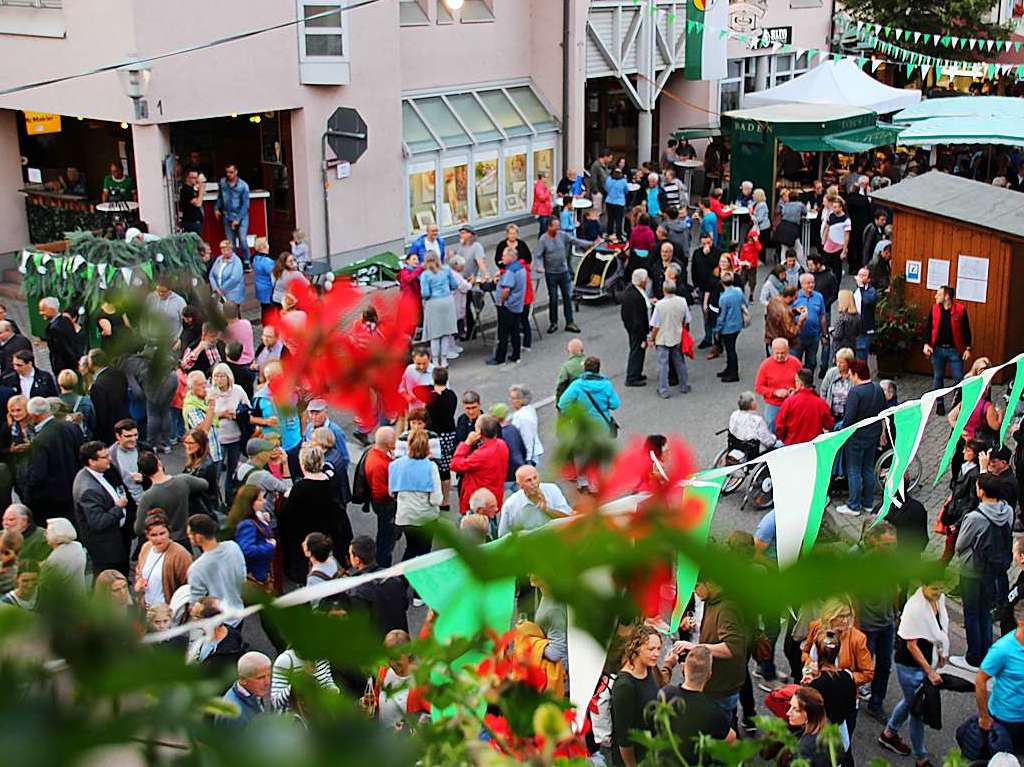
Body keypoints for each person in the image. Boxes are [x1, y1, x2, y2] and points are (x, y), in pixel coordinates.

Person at [877, 581, 949, 767]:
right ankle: (921, 758)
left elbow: (940, 628)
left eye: (941, 588)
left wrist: (941, 652)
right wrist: (930, 671)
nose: (938, 593)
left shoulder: (938, 600)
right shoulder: (914, 608)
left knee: (911, 701)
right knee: (917, 710)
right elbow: (911, 645)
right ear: (923, 586)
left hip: (927, 660)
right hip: (910, 667)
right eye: (934, 589)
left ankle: (889, 734)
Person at [951, 472, 1014, 671]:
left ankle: (973, 657)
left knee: (971, 612)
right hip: (994, 569)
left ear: (982, 492)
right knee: (985, 612)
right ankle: (987, 653)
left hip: (972, 569)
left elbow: (961, 544)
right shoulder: (1008, 511)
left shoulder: (975, 517)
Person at [675, 577, 749, 720]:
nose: (694, 591)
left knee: (721, 729)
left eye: (697, 586)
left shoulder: (727, 608)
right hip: (712, 682)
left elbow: (732, 647)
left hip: (721, 688)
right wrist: (695, 626)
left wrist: (695, 647)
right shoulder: (711, 600)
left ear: (710, 583)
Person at [279, 445, 352, 584]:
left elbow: (285, 513)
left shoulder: (300, 488)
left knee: (305, 566)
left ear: (302, 463)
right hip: (326, 529)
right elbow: (329, 471)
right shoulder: (330, 479)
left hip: (304, 533)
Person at [660, 645, 736, 763]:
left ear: (684, 668)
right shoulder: (714, 711)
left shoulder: (666, 693)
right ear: (709, 675)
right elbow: (731, 738)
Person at [72, 440, 131, 577]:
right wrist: (118, 507)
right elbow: (98, 522)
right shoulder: (88, 489)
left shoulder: (95, 475)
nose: (110, 459)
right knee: (108, 580)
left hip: (115, 538)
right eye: (105, 457)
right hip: (106, 547)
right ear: (92, 461)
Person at [22, 396, 83, 524]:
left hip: (51, 500)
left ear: (34, 416)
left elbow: (38, 475)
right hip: (74, 489)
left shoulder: (40, 440)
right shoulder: (72, 428)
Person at [611, 624, 665, 767]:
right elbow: (623, 737)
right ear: (636, 649)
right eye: (651, 649)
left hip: (650, 751)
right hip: (633, 759)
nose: (657, 654)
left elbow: (661, 683)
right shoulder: (625, 686)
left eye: (659, 648)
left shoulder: (649, 668)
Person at [836, 360, 886, 516]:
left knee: (854, 470)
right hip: (873, 435)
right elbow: (883, 412)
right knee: (868, 468)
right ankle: (868, 503)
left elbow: (849, 419)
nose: (849, 377)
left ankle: (854, 505)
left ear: (856, 375)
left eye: (850, 374)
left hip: (856, 438)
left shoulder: (855, 392)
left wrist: (841, 434)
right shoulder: (878, 388)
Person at [973, 600, 1024, 751]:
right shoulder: (1002, 649)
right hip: (1006, 720)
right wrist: (983, 716)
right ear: (1021, 622)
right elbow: (980, 680)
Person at [136, 452, 209, 549]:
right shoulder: (183, 480)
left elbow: (138, 528)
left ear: (143, 473)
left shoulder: (147, 497)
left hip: (164, 541)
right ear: (159, 464)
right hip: (184, 537)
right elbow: (204, 484)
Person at [389, 430, 442, 561]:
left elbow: (391, 492)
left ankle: (403, 577)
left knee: (411, 548)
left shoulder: (395, 465)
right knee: (424, 550)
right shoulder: (431, 467)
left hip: (406, 516)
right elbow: (436, 499)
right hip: (426, 518)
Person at [344, 535, 409, 636]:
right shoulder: (395, 579)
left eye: (350, 555)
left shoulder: (356, 591)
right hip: (399, 639)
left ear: (357, 559)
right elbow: (404, 604)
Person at [923, 285, 972, 416]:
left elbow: (966, 330)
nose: (935, 296)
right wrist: (927, 344)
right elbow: (929, 327)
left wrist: (968, 348)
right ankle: (939, 404)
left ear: (946, 296)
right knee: (938, 377)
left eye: (938, 294)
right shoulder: (934, 310)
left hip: (955, 350)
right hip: (938, 350)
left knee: (958, 378)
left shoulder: (960, 310)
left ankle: (958, 404)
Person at [535, 218, 590, 334]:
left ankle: (570, 322)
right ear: (549, 227)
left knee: (567, 297)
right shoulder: (543, 240)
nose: (558, 228)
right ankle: (553, 322)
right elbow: (538, 256)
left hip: (564, 272)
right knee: (553, 299)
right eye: (555, 226)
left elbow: (575, 241)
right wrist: (539, 267)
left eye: (558, 225)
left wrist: (590, 244)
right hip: (551, 274)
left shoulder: (562, 235)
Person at [450, 415, 509, 513]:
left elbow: (455, 464)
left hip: (478, 503)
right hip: (494, 498)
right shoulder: (502, 445)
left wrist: (467, 443)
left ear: (480, 432)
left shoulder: (480, 455)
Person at [134, 511, 191, 608]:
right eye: (153, 535)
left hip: (167, 612)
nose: (159, 538)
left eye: (162, 533)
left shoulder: (180, 554)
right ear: (147, 536)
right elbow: (139, 570)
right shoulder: (146, 547)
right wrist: (139, 581)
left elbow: (188, 584)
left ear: (169, 532)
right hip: (148, 608)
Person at [211, 363, 250, 503]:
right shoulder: (210, 393)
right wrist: (221, 415)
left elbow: (248, 408)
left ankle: (229, 498)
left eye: (222, 376)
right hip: (218, 439)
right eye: (216, 376)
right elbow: (206, 417)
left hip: (235, 438)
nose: (219, 379)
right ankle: (215, 500)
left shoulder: (238, 390)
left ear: (228, 377)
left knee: (232, 471)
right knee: (215, 472)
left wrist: (238, 414)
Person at [498, 465, 571, 536]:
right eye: (528, 480)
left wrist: (547, 510)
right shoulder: (511, 504)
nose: (534, 483)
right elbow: (503, 535)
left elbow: (568, 518)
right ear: (520, 485)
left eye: (535, 478)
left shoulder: (553, 489)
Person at [228, 486, 276, 592]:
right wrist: (269, 546)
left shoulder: (247, 519)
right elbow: (246, 549)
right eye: (259, 499)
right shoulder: (247, 524)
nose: (263, 502)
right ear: (250, 503)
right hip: (257, 573)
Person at [558, 356, 621, 436]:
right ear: (598, 369)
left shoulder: (577, 385)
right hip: (602, 426)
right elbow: (615, 404)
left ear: (584, 368)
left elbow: (562, 404)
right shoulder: (606, 385)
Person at [649, 280, 692, 397]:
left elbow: (655, 325)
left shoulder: (659, 305)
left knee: (663, 366)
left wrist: (651, 339)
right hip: (677, 336)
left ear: (664, 290)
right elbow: (687, 319)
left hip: (662, 338)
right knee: (680, 362)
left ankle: (664, 390)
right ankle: (684, 385)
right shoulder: (682, 301)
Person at [486, 247, 527, 367]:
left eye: (504, 256)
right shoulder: (520, 267)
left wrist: (500, 301)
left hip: (508, 306)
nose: (502, 258)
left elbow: (506, 289)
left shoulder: (511, 271)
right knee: (515, 331)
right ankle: (515, 355)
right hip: (517, 305)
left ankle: (500, 358)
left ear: (511, 257)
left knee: (503, 333)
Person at [363, 427, 398, 567]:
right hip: (385, 505)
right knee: (386, 537)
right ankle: (382, 564)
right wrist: (395, 492)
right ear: (388, 444)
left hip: (383, 503)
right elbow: (379, 492)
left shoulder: (376, 454)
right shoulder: (378, 464)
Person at [775, 369, 834, 446]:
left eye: (796, 381)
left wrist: (786, 439)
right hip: (813, 447)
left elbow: (779, 426)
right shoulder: (821, 404)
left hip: (792, 446)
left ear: (800, 383)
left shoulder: (789, 402)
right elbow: (829, 424)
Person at [216, 652, 271, 727]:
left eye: (269, 675)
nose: (267, 682)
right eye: (260, 678)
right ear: (242, 679)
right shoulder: (235, 716)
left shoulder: (253, 692)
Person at [214, 164, 251, 270]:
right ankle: (234, 263)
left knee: (243, 240)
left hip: (241, 215)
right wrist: (216, 208)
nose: (228, 175)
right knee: (230, 242)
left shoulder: (243, 185)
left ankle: (246, 261)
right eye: (227, 172)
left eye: (231, 172)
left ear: (236, 172)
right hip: (227, 215)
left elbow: (245, 205)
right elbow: (220, 197)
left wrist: (237, 219)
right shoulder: (222, 182)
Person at [39, 517, 87, 596]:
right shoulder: (77, 546)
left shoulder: (56, 558)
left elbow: (43, 582)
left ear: (56, 535)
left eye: (47, 532)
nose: (45, 535)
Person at [793, 273, 827, 379]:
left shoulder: (819, 297)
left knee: (811, 363)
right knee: (795, 363)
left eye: (812, 282)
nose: (811, 285)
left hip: (813, 337)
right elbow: (788, 314)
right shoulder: (795, 297)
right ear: (802, 284)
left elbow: (822, 316)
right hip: (798, 337)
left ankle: (808, 384)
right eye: (808, 283)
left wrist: (824, 334)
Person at [620, 269, 650, 388]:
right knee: (637, 351)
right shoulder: (635, 297)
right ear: (642, 281)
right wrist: (643, 336)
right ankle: (632, 377)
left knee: (638, 351)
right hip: (636, 330)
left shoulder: (632, 291)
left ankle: (637, 373)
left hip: (633, 328)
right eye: (646, 279)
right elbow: (637, 320)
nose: (647, 281)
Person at [787, 687, 831, 767]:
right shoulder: (827, 725)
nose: (788, 713)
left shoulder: (803, 750)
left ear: (809, 714)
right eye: (790, 707)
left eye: (795, 710)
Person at [37, 297, 79, 378]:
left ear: (51, 309)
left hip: (62, 367)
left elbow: (64, 349)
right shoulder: (65, 320)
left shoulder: (55, 328)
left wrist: (75, 364)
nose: (40, 313)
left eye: (43, 310)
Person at [714, 273, 745, 383]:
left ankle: (733, 373)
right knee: (731, 349)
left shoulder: (723, 298)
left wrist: (717, 330)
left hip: (728, 327)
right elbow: (744, 303)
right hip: (737, 324)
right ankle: (729, 369)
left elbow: (722, 317)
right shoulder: (738, 291)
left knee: (730, 350)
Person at [57, 369, 95, 439]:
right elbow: (92, 423)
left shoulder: (56, 403)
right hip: (83, 438)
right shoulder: (85, 401)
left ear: (59, 383)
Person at [853, 267, 877, 361]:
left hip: (865, 329)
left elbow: (867, 301)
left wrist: (862, 287)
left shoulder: (871, 291)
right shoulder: (856, 290)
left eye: (863, 276)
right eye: (859, 275)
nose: (860, 278)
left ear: (869, 279)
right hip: (855, 327)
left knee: (861, 356)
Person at [210, 240, 245, 304]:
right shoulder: (219, 259)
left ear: (231, 249)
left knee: (233, 312)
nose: (226, 252)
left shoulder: (237, 261)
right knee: (222, 311)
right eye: (223, 250)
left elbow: (235, 278)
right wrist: (215, 288)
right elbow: (211, 275)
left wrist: (221, 290)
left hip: (232, 294)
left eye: (228, 250)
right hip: (219, 294)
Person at [555, 339, 586, 405]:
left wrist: (558, 404)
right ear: (582, 349)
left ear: (569, 351)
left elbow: (561, 387)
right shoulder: (589, 361)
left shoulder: (566, 366)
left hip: (576, 400)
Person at [178, 168, 204, 235]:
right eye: (193, 178)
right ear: (187, 178)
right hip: (191, 223)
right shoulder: (186, 190)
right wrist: (201, 190)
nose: (196, 180)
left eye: (196, 177)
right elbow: (198, 203)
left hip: (196, 222)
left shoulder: (192, 189)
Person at [532, 170, 553, 235]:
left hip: (545, 210)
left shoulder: (543, 185)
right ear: (542, 177)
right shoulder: (539, 186)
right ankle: (542, 242)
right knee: (543, 229)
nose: (547, 179)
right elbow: (542, 198)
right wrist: (548, 191)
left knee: (544, 228)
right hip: (542, 210)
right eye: (546, 177)